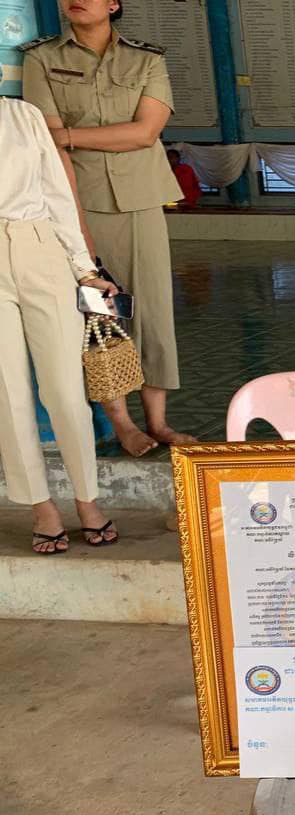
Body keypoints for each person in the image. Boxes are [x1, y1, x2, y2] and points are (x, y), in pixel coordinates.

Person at [20, 0, 194, 456]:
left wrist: (72, 136)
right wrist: (75, 214)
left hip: (141, 199)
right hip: (77, 201)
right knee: (99, 313)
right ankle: (124, 425)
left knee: (153, 312)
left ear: (114, 4)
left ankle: (158, 422)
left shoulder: (147, 59)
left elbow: (145, 132)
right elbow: (47, 141)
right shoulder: (41, 59)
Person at [0, 96, 121, 551]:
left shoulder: (23, 115)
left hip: (40, 246)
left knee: (66, 392)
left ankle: (87, 499)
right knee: (8, 395)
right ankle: (41, 507)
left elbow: (57, 194)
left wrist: (83, 268)